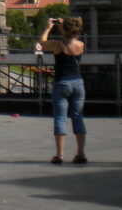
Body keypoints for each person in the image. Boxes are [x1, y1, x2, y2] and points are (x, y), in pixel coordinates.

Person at [39, 16, 87, 164]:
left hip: (62, 83)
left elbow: (41, 43)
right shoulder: (81, 44)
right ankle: (81, 154)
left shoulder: (57, 45)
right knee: (77, 117)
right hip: (78, 83)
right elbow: (70, 37)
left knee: (60, 118)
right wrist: (63, 26)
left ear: (64, 29)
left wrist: (48, 27)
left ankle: (59, 155)